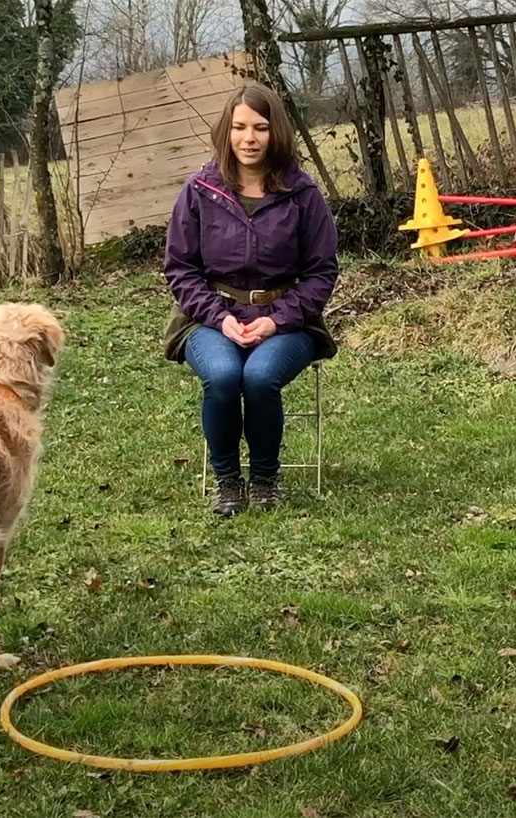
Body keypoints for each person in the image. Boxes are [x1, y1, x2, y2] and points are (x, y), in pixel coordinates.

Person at [163, 82, 339, 517]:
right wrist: (218, 317)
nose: (249, 138)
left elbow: (322, 272)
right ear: (226, 132)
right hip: (209, 319)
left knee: (259, 378)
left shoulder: (302, 194)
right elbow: (180, 269)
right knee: (223, 377)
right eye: (239, 127)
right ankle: (227, 483)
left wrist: (278, 319)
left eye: (260, 127)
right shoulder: (201, 190)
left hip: (288, 321)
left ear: (275, 132)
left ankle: (264, 480)